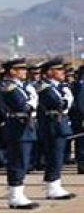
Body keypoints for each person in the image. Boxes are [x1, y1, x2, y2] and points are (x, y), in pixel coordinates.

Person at [0, 58, 39, 210]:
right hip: (17, 127)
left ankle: (18, 193)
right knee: (18, 161)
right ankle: (15, 195)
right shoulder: (9, 87)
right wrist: (33, 100)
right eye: (21, 69)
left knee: (23, 161)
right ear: (12, 71)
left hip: (24, 127)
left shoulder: (20, 86)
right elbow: (22, 106)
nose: (24, 72)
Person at [36, 59, 76, 200]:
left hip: (59, 124)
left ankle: (55, 185)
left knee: (57, 156)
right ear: (49, 72)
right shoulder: (45, 88)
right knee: (54, 156)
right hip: (52, 126)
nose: (63, 72)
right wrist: (68, 99)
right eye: (59, 70)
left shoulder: (57, 87)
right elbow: (59, 104)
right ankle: (53, 187)